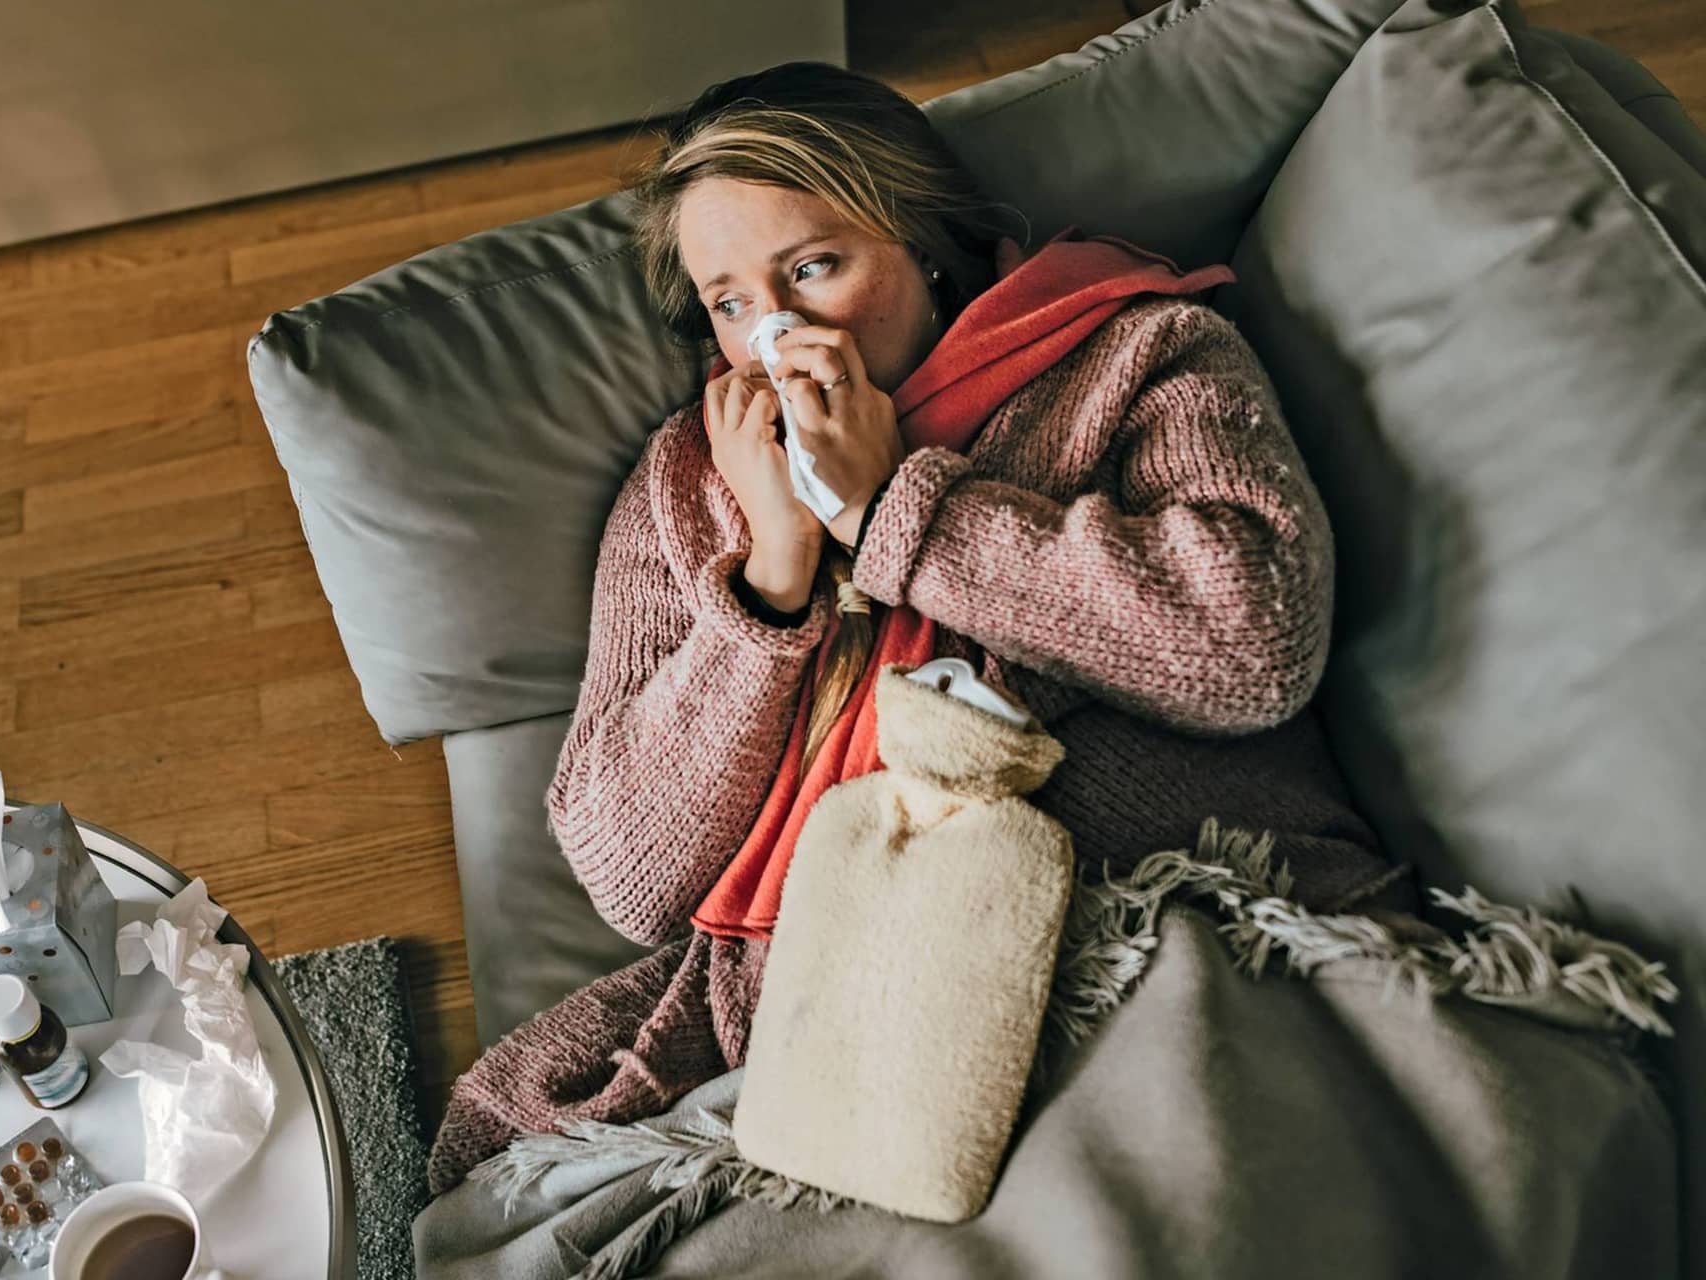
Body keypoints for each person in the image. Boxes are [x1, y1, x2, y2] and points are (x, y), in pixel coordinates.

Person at [422, 60, 1417, 1196]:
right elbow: (628, 871)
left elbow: (1250, 647)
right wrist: (772, 576)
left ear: (923, 243)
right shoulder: (688, 484)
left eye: (813, 267)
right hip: (822, 1003)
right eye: (729, 302)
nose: (774, 333)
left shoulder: (1133, 353)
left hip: (1151, 922)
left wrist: (893, 511)